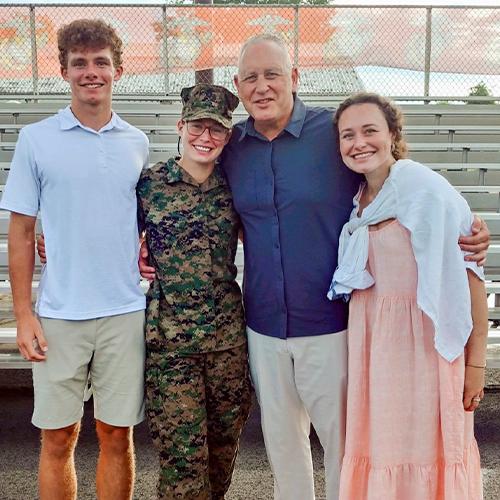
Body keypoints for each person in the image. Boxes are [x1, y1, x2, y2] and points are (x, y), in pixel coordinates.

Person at [139, 34, 490, 500]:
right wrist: (143, 242)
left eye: (272, 74)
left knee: (345, 447)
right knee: (284, 449)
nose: (261, 86)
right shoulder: (232, 145)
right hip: (261, 325)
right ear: (239, 87)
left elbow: (399, 181)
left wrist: (467, 226)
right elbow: (194, 201)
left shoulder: (336, 134)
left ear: (295, 79)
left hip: (332, 323)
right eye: (250, 77)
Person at [1, 19, 148, 500]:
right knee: (58, 438)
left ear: (118, 70)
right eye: (79, 63)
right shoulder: (37, 139)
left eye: (101, 62)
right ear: (63, 70)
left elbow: (141, 219)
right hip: (59, 316)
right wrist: (24, 316)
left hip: (124, 313)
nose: (91, 72)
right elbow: (21, 231)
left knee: (116, 435)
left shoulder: (137, 143)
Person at [329, 92, 487, 499]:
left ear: (393, 134)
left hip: (424, 351)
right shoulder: (359, 201)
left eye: (369, 131)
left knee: (425, 455)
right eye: (348, 135)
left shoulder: (424, 188)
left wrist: (476, 366)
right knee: (379, 451)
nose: (358, 142)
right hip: (374, 350)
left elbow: (469, 275)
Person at [136, 84, 252, 500]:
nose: (206, 137)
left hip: (226, 342)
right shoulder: (150, 185)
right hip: (172, 345)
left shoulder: (236, 186)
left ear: (227, 136)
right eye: (198, 127)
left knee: (223, 450)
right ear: (180, 126)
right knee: (183, 458)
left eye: (217, 130)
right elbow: (109, 233)